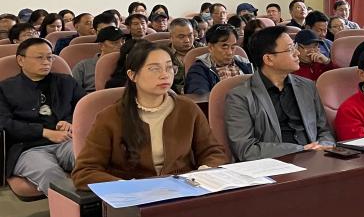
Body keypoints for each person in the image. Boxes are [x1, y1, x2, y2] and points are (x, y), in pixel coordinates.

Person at [72, 40, 229, 186]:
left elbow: (213, 152)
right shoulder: (111, 117)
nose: (164, 74)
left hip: (183, 191)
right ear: (132, 75)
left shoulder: (187, 109)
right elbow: (85, 171)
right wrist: (125, 186)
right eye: (154, 69)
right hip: (134, 197)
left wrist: (204, 171)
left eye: (169, 68)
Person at [224, 26, 334, 161]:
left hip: (315, 159)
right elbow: (246, 149)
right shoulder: (240, 97)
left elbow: (324, 130)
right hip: (274, 164)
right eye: (290, 49)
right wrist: (301, 150)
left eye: (294, 47)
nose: (297, 53)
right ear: (268, 59)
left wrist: (324, 145)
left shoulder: (307, 86)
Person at [0, 38, 85, 193]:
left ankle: (108, 204)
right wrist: (44, 132)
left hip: (67, 141)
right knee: (49, 173)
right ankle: (73, 208)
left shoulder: (66, 82)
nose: (46, 62)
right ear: (21, 60)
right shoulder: (5, 88)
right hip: (28, 148)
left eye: (49, 57)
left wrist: (70, 122)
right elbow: (4, 122)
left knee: (90, 159)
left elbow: (84, 108)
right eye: (39, 57)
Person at [184, 24, 252, 94]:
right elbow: (200, 96)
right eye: (224, 47)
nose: (230, 52)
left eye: (233, 47)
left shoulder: (244, 63)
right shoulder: (200, 69)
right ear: (210, 47)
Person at [72, 26, 127, 92]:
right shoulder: (83, 66)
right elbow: (74, 92)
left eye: (123, 41)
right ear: (101, 46)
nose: (121, 46)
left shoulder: (129, 63)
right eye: (115, 43)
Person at [166, 18, 196, 94]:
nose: (187, 40)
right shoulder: (163, 54)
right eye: (181, 37)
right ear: (171, 37)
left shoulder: (203, 51)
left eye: (190, 35)